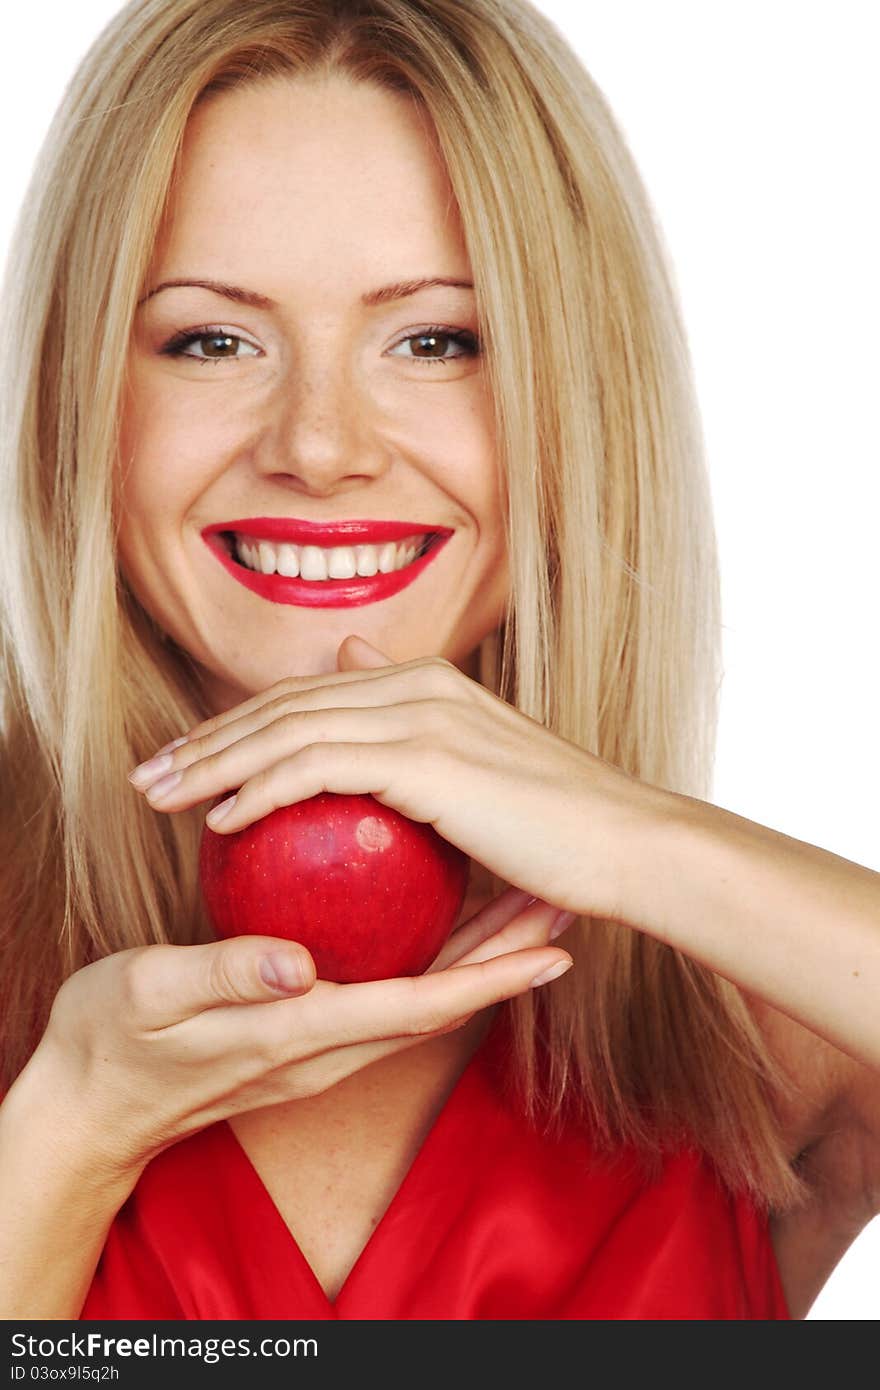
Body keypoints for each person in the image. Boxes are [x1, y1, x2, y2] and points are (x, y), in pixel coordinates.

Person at [0, 0, 877, 1322]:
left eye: (437, 339)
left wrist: (642, 842)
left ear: (573, 398)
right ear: (80, 396)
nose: (321, 443)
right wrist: (71, 1126)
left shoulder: (757, 1023)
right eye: (210, 338)